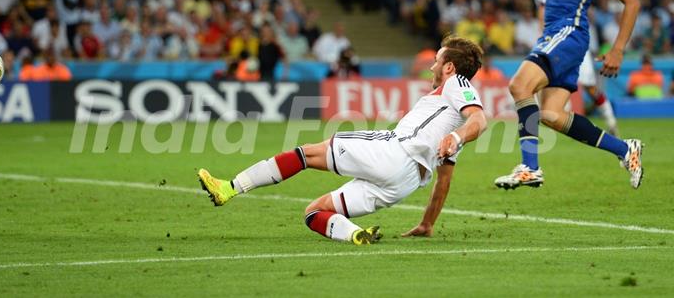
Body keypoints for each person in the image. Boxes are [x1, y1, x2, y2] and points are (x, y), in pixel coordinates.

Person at [198, 36, 488, 245]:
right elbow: (444, 181)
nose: (432, 67)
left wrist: (456, 135)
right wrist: (427, 223)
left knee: (305, 154)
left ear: (450, 67)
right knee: (314, 213)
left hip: (394, 152)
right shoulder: (449, 127)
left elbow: (480, 119)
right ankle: (354, 235)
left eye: (437, 61)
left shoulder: (457, 85)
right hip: (404, 184)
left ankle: (230, 187)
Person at [483, 0, 643, 189]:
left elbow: (632, 2)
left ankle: (530, 167)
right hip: (555, 33)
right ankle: (625, 149)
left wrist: (618, 50)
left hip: (569, 31)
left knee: (520, 85)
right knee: (551, 115)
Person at [535, 0, 618, 135]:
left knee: (590, 87)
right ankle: (544, 119)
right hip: (553, 46)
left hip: (574, 45)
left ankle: (611, 122)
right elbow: (541, 19)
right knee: (541, 82)